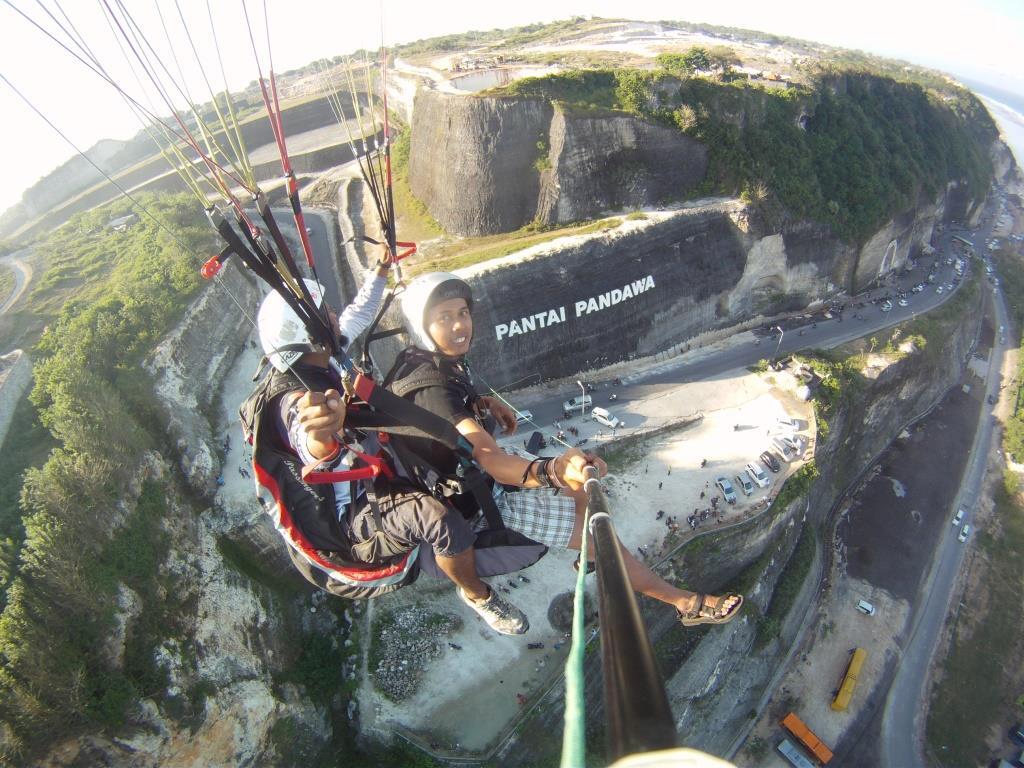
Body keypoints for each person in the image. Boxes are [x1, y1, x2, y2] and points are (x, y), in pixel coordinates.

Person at [386, 272, 744, 628]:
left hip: (466, 479)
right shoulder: (432, 387)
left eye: (462, 312)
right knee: (602, 539)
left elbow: (446, 415)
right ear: (422, 327)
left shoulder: (422, 361)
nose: (459, 325)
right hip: (476, 501)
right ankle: (683, 603)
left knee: (583, 486)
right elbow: (488, 458)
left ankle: (588, 553)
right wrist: (551, 470)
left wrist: (481, 403)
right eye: (444, 318)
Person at [242, 257, 537, 636]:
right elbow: (303, 434)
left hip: (373, 463)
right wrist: (320, 434)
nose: (335, 315)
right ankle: (479, 597)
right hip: (353, 521)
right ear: (308, 332)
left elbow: (358, 314)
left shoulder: (320, 353)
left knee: (442, 443)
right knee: (440, 521)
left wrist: (381, 269)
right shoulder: (290, 398)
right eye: (326, 313)